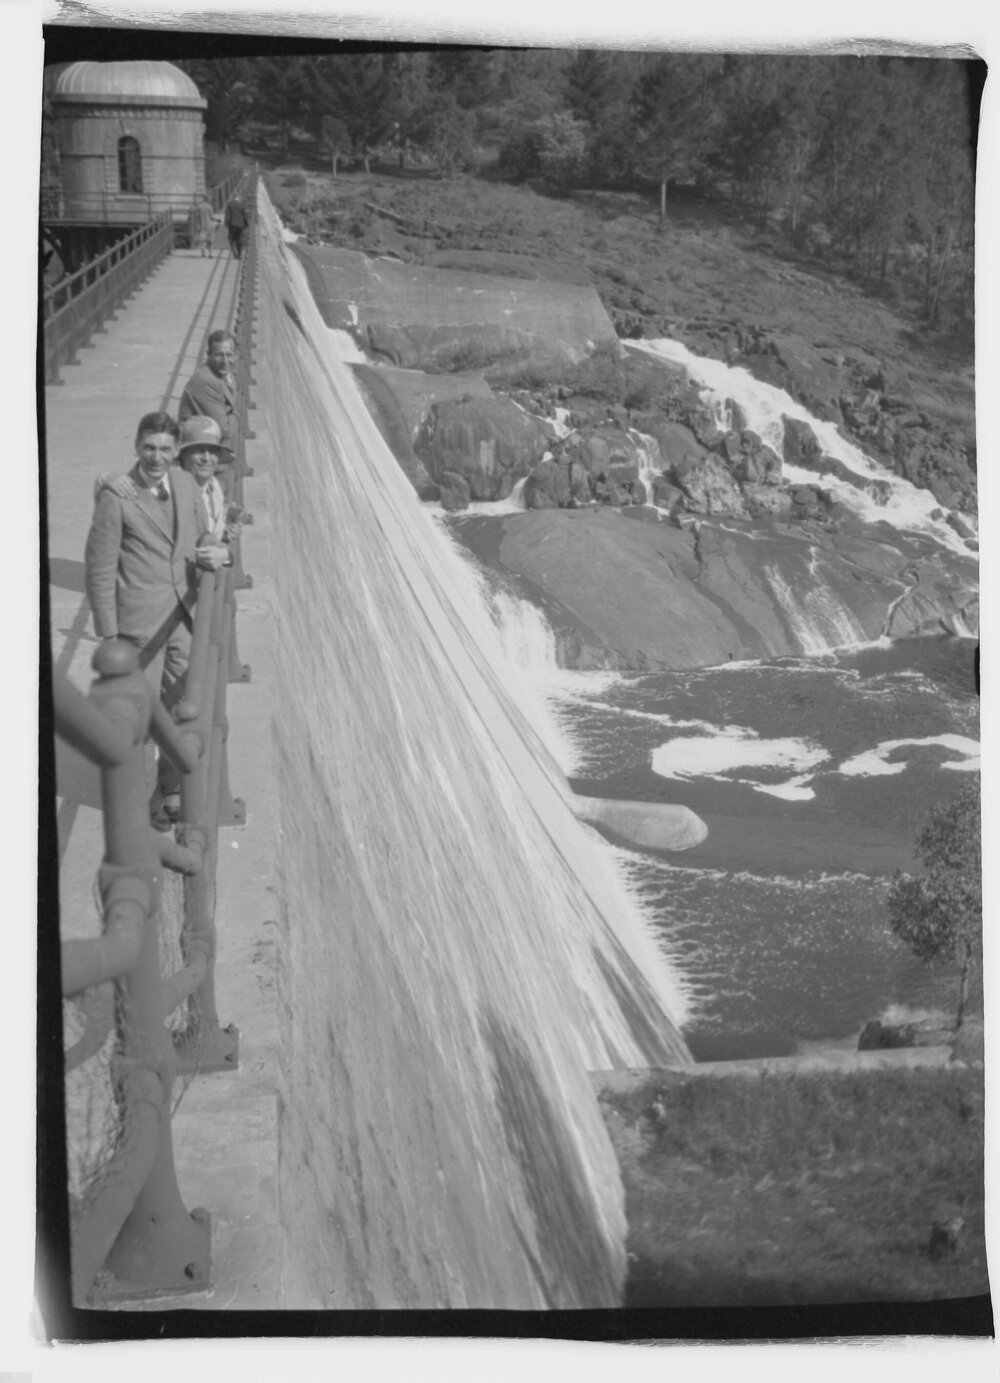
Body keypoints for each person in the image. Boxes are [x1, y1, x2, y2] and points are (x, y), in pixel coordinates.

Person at [84, 411, 229, 826]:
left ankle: (167, 789)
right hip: (138, 628)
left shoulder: (184, 482)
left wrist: (217, 551)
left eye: (166, 449)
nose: (156, 458)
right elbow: (98, 570)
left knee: (183, 711)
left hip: (185, 618)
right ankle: (139, 801)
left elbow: (200, 535)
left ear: (174, 452)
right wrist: (109, 637)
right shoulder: (117, 497)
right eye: (149, 448)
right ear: (136, 447)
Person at [93, 415, 245, 544]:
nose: (206, 458)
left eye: (212, 451)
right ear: (182, 454)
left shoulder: (213, 487)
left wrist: (224, 534)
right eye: (199, 451)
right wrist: (104, 479)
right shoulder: (166, 488)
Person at [178, 330, 239, 484]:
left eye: (229, 355)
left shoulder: (225, 376)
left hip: (215, 459)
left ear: (236, 355)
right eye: (219, 355)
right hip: (202, 463)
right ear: (208, 354)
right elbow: (225, 428)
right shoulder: (206, 381)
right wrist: (235, 416)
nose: (225, 361)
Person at [189, 192, 217, 258]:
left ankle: (203, 253)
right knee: (210, 240)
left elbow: (192, 210)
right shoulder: (209, 207)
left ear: (203, 199)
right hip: (209, 226)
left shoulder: (199, 206)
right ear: (208, 200)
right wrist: (217, 220)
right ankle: (210, 254)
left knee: (203, 241)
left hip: (201, 226)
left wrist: (192, 215)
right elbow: (212, 217)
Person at [223, 193, 249, 259]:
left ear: (233, 197)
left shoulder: (229, 204)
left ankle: (234, 252)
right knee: (239, 238)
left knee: (231, 239)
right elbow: (244, 216)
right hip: (240, 224)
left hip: (232, 224)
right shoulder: (241, 205)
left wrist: (226, 224)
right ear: (238, 198)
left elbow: (227, 215)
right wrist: (246, 224)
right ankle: (239, 253)